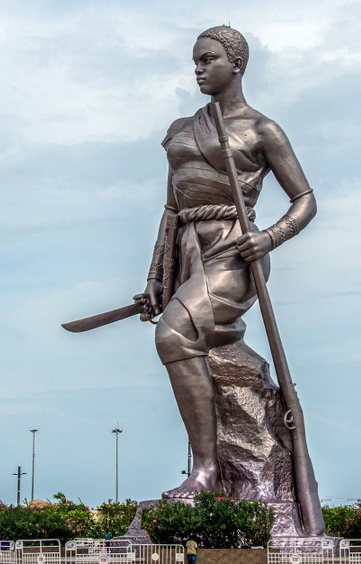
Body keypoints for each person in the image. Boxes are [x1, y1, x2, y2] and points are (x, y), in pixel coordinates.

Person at [135, 25, 317, 499]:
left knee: (174, 333)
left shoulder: (262, 129)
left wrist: (270, 238)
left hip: (235, 252)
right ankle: (210, 467)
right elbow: (171, 209)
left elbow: (305, 200)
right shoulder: (180, 129)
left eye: (208, 59)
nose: (198, 69)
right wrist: (156, 277)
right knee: (183, 335)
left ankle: (206, 470)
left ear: (236, 64)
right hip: (188, 249)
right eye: (195, 61)